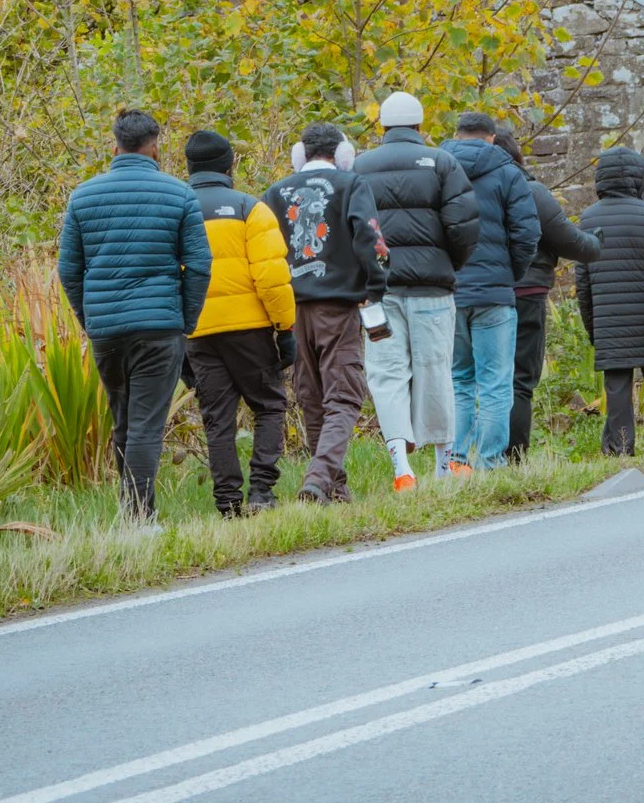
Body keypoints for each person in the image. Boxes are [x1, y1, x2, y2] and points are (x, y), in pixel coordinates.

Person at [57, 108, 211, 520]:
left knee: (124, 418)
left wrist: (89, 317)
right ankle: (140, 518)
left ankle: (132, 513)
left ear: (115, 145)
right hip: (160, 327)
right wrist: (186, 320)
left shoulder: (83, 196)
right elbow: (198, 265)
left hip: (107, 329)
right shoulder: (179, 194)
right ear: (155, 147)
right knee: (144, 424)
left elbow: (69, 270)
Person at [354, 92, 482, 491]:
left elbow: (353, 228)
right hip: (431, 289)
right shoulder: (443, 161)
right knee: (434, 370)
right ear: (420, 126)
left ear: (383, 127)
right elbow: (464, 226)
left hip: (380, 292)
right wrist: (449, 266)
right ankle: (444, 465)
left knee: (386, 374)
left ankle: (401, 468)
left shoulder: (359, 166)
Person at [263, 122, 387, 503]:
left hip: (293, 310)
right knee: (345, 396)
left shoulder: (274, 192)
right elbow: (371, 239)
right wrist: (375, 287)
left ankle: (333, 489)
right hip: (338, 306)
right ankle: (318, 478)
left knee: (313, 396)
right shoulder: (351, 185)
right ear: (344, 155)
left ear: (299, 155)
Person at [183, 129, 294, 518]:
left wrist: (180, 333)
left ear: (189, 166)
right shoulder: (251, 208)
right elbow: (271, 277)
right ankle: (262, 492)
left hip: (198, 330)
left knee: (217, 419)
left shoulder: (176, 210)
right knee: (269, 404)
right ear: (230, 165)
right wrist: (285, 327)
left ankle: (228, 504)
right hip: (251, 328)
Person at [440, 112, 539, 475]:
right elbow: (528, 234)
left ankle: (456, 461)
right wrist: (510, 274)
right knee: (496, 383)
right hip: (495, 294)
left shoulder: (438, 169)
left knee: (459, 380)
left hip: (451, 292)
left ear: (456, 134)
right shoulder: (509, 173)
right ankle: (491, 465)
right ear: (492, 139)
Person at [575, 147, 644, 455]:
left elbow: (582, 283)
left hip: (610, 322)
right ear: (639, 179)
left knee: (618, 385)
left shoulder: (587, 219)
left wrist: (592, 327)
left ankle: (621, 447)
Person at [498, 131, 598, 461]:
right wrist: (596, 241)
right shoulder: (532, 192)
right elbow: (570, 241)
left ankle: (474, 459)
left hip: (476, 294)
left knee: (474, 380)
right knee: (519, 381)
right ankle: (514, 459)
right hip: (527, 291)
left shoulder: (462, 188)